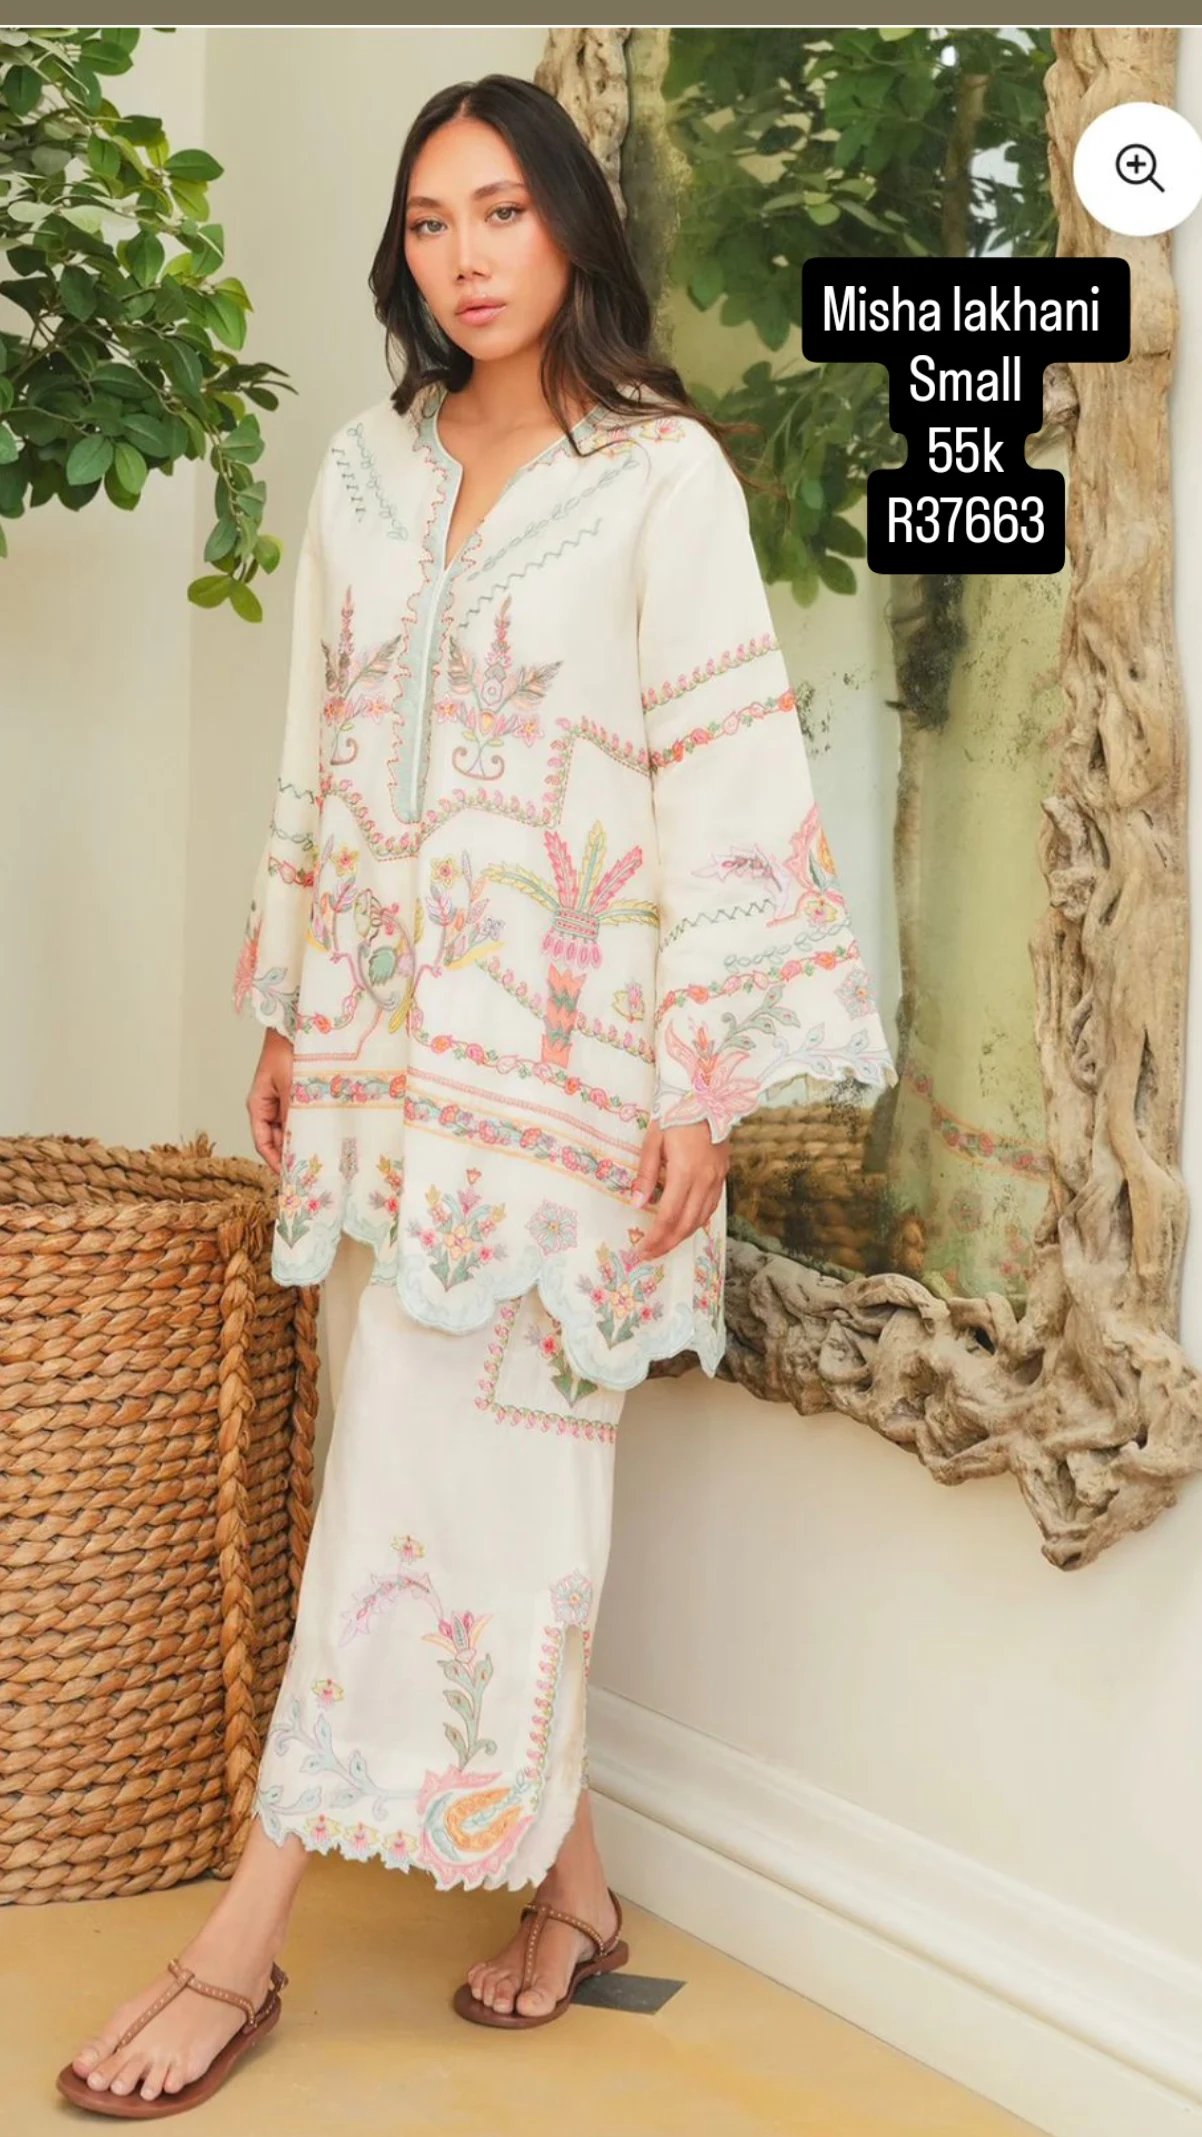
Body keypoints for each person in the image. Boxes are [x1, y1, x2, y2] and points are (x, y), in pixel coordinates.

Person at [58, 70, 897, 2116]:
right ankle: (578, 1899)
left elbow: (726, 781)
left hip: (570, 1100)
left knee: (412, 1495)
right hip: (376, 1084)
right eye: (430, 221)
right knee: (444, 1481)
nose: (465, 255)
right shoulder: (361, 472)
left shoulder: (661, 479)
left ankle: (239, 1940)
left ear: (572, 228)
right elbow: (317, 751)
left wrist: (703, 1083)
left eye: (502, 209)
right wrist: (287, 1008)